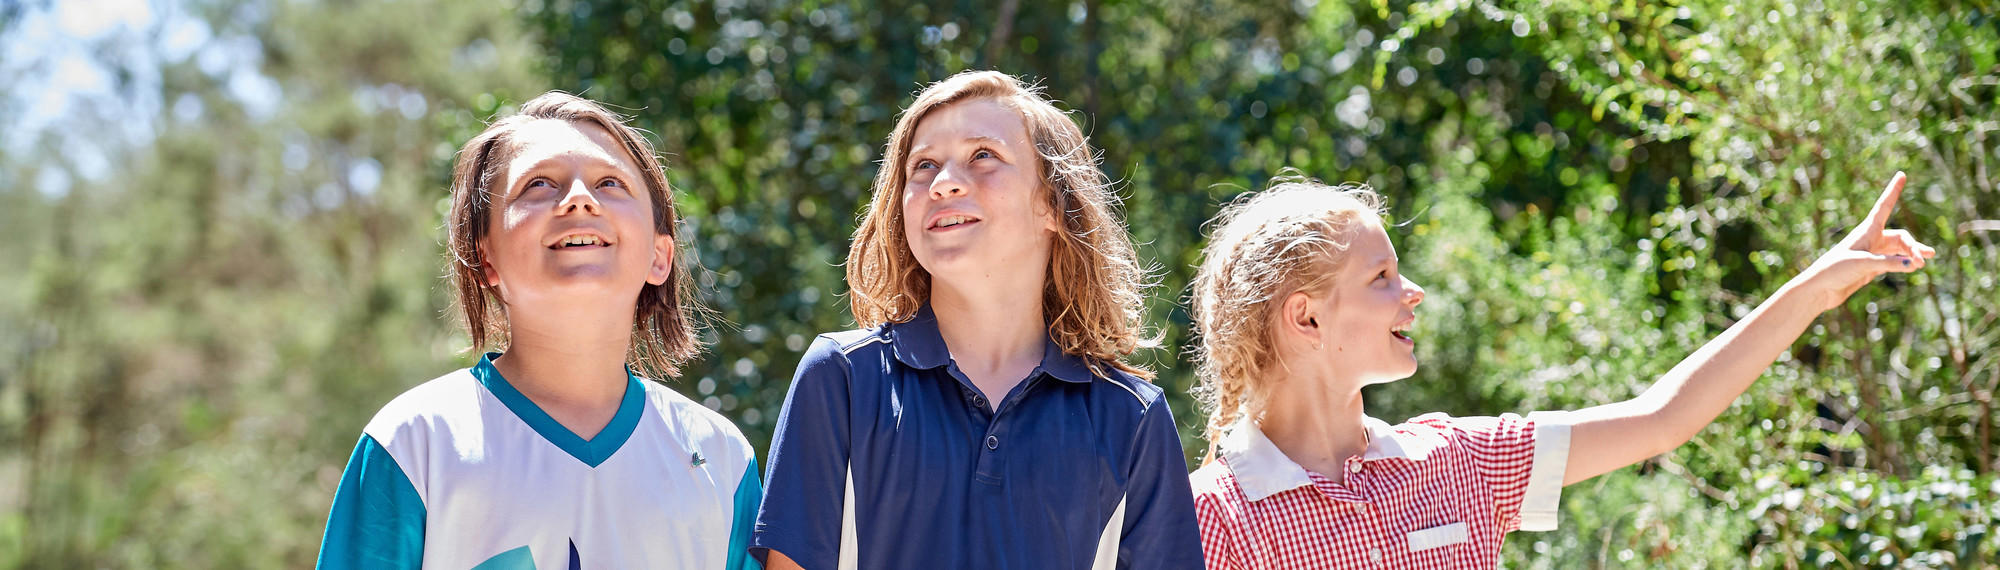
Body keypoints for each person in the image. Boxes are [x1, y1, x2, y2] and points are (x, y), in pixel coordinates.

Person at [1186, 171, 1934, 568]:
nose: (1413, 291)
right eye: (1382, 276)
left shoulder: (1456, 462)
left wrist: (1820, 284)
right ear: (1306, 318)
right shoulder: (1207, 520)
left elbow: (1662, 417)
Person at [752, 71, 1204, 570]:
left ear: (1054, 205)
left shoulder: (1132, 418)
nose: (943, 182)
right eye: (923, 165)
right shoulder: (842, 378)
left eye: (983, 155)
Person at [315, 92, 761, 569]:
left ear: (659, 256)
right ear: (485, 258)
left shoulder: (722, 457)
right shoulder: (413, 442)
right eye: (539, 185)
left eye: (610, 182)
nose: (579, 199)